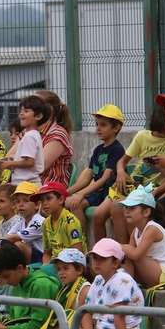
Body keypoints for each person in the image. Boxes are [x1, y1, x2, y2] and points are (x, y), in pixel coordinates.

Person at [47, 240, 145, 329]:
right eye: (94, 258)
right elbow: (86, 310)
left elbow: (119, 316)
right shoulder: (99, 279)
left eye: (102, 259)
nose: (96, 262)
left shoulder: (123, 279)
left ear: (115, 263)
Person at [104, 106, 165, 244]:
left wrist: (162, 166)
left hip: (151, 190)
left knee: (125, 211)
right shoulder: (142, 136)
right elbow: (122, 162)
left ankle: (132, 252)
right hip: (134, 186)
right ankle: (120, 254)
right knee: (110, 210)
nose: (161, 135)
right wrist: (121, 173)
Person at [22, 248, 91, 329]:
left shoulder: (84, 290)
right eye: (59, 269)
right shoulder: (64, 289)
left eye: (66, 268)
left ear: (79, 270)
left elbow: (86, 328)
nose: (61, 273)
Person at [66, 104, 126, 243]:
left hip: (112, 191)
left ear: (116, 128)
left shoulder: (117, 149)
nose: (98, 128)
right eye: (97, 124)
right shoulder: (98, 149)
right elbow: (88, 176)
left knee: (98, 216)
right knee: (75, 204)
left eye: (103, 125)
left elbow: (105, 178)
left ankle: (102, 250)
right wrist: (68, 192)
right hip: (98, 191)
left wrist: (81, 194)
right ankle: (81, 244)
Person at [119, 185, 165, 300]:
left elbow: (136, 254)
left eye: (132, 208)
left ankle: (127, 285)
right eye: (126, 208)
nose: (127, 211)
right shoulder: (136, 230)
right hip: (152, 269)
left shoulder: (152, 229)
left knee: (134, 255)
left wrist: (118, 246)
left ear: (146, 212)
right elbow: (128, 255)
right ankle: (127, 285)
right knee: (126, 256)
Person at [33, 182, 86, 263]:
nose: (44, 203)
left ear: (61, 200)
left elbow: (77, 254)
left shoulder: (70, 221)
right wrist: (46, 267)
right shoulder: (45, 223)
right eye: (42, 200)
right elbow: (47, 253)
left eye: (48, 198)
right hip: (54, 264)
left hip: (70, 265)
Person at [0, 96, 47, 185]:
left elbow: (29, 162)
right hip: (25, 184)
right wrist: (13, 159)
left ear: (38, 116)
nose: (21, 114)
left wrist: (9, 164)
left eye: (26, 111)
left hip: (26, 185)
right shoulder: (32, 134)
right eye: (21, 111)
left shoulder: (29, 136)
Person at [35, 90, 74, 186]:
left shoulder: (58, 134)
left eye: (35, 106)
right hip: (33, 185)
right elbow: (8, 158)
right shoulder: (31, 131)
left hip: (50, 189)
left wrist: (15, 164)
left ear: (49, 110)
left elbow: (39, 167)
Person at [2, 181, 45, 265]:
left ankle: (24, 270)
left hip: (42, 258)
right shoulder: (21, 220)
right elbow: (8, 236)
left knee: (18, 244)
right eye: (17, 202)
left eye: (25, 201)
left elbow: (12, 237)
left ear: (37, 205)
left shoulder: (40, 221)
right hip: (31, 255)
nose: (20, 205)